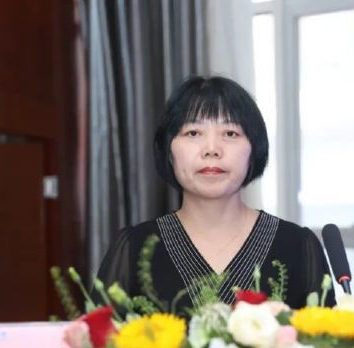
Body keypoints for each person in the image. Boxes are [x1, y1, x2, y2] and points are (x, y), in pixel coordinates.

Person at [96, 75, 335, 315]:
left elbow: (327, 337)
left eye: (230, 133)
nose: (212, 149)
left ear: (254, 150)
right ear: (168, 151)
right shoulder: (133, 249)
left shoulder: (299, 247)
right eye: (193, 133)